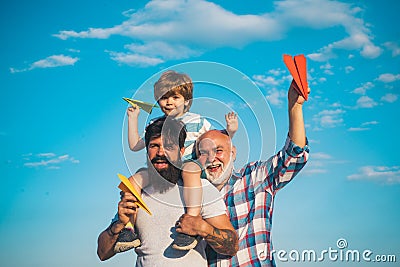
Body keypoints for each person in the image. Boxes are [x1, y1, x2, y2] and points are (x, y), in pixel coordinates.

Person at [176, 80, 310, 266]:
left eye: (218, 150)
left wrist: (294, 106)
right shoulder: (192, 195)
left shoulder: (255, 178)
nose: (211, 158)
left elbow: (294, 156)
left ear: (233, 153)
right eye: (203, 153)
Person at [118, 70, 238, 251]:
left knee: (190, 169)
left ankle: (190, 223)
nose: (169, 102)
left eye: (175, 97)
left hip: (188, 167)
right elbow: (135, 145)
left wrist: (230, 131)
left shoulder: (197, 121)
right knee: (133, 181)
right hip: (163, 170)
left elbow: (215, 140)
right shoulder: (156, 125)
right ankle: (128, 228)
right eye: (163, 97)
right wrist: (132, 119)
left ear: (186, 100)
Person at [97, 117, 238, 266]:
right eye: (154, 146)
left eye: (169, 146)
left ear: (181, 151)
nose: (160, 152)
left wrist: (204, 229)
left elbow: (232, 246)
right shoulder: (137, 193)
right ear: (147, 150)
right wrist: (119, 224)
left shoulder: (200, 189)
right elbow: (102, 253)